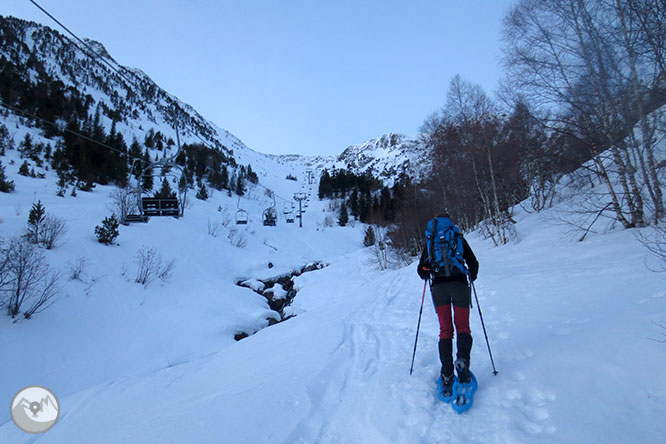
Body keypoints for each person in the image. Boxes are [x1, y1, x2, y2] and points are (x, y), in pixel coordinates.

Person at [417, 213, 479, 398]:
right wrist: (470, 276)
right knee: (463, 327)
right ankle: (463, 363)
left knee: (445, 330)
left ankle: (447, 373)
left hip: (439, 289)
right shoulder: (458, 237)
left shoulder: (431, 240)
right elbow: (474, 264)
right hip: (460, 285)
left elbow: (421, 271)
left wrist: (428, 272)